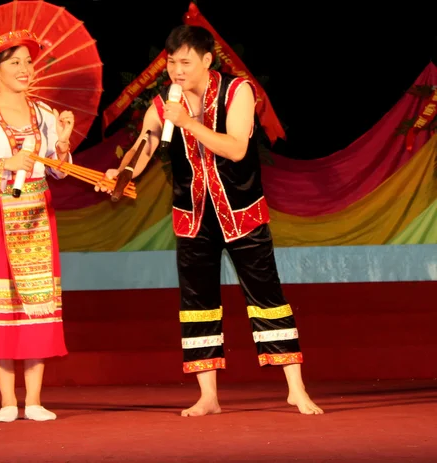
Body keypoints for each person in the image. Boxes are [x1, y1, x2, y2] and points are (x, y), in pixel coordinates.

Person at [97, 25, 323, 417]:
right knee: (197, 303)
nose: (177, 70)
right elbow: (146, 142)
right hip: (193, 215)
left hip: (241, 213)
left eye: (185, 62)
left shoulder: (239, 92)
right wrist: (123, 173)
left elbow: (236, 148)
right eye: (171, 62)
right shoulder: (166, 99)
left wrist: (187, 122)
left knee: (266, 297)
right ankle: (208, 396)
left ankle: (295, 389)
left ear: (206, 60)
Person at [0, 30, 74, 423]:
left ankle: (35, 400)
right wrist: (4, 165)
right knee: (1, 301)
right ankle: (7, 401)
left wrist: (64, 143)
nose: (25, 69)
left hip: (38, 212)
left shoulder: (45, 115)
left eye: (28, 62)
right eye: (15, 63)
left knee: (37, 301)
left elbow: (57, 173)